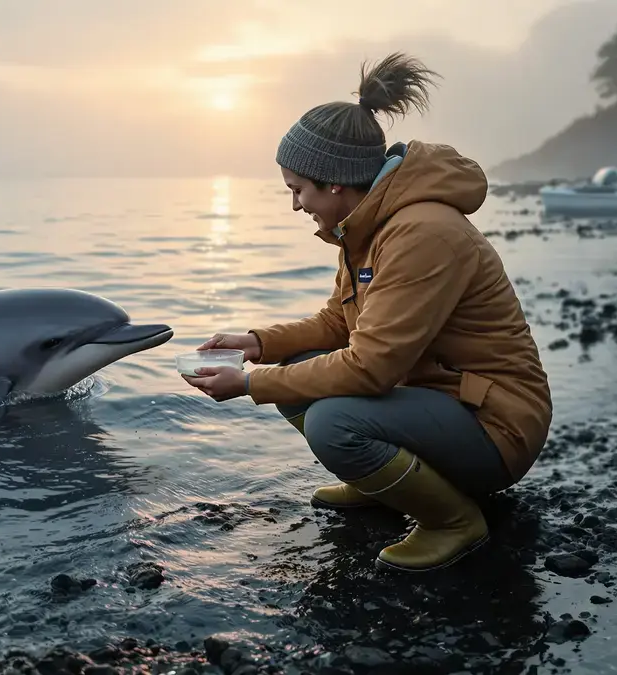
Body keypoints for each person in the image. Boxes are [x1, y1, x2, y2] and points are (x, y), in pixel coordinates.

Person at [181, 52, 552, 573]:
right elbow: (338, 323)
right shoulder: (366, 226)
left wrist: (249, 384)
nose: (295, 205)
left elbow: (372, 367)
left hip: (497, 424)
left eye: (297, 190)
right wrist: (257, 343)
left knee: (332, 420)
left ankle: (453, 521)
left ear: (333, 181)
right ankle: (388, 485)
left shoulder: (422, 233)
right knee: (305, 369)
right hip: (443, 401)